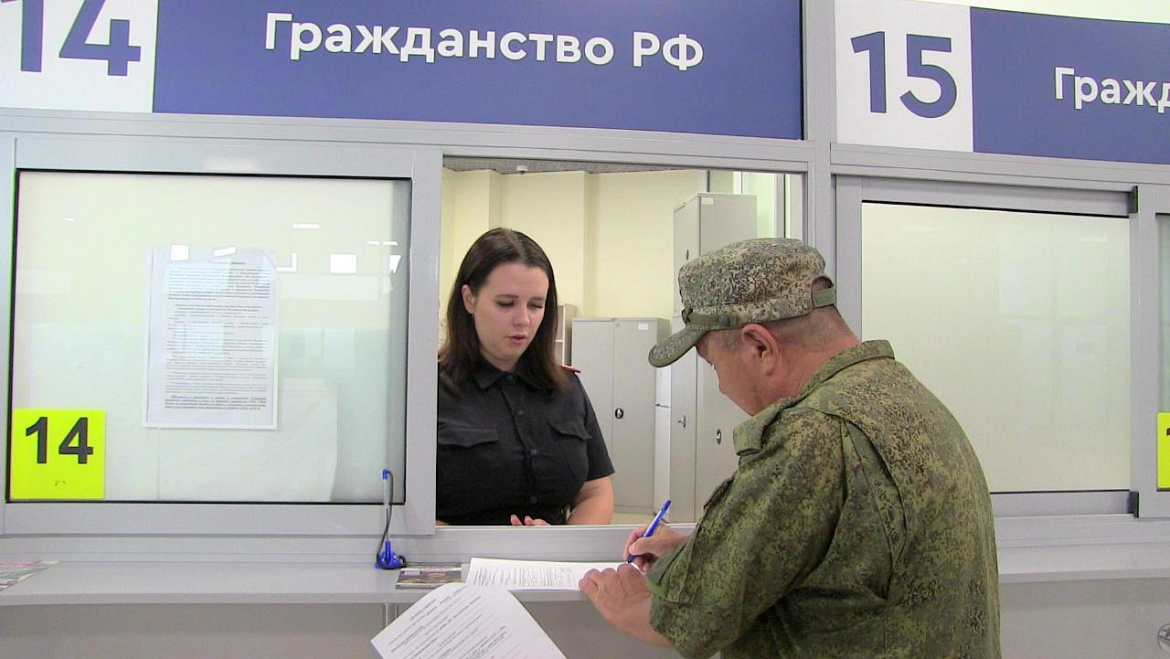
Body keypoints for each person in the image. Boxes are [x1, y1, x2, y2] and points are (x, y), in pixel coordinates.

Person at [579, 238, 1000, 658]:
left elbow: (688, 622)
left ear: (760, 347)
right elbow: (837, 562)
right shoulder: (900, 395)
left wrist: (627, 601)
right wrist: (699, 556)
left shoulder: (814, 434)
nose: (721, 386)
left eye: (712, 364)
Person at [437, 227, 614, 526]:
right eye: (506, 303)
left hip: (553, 556)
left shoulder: (566, 388)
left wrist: (561, 543)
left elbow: (596, 492)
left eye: (536, 305)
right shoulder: (429, 391)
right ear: (469, 298)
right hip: (459, 555)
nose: (523, 320)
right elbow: (408, 512)